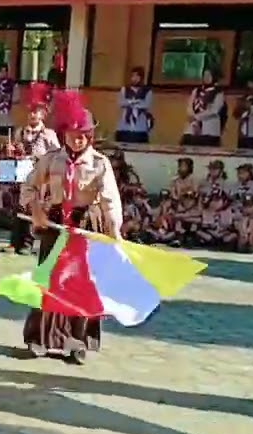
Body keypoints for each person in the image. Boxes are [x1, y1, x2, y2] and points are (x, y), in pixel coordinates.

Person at [20, 90, 122, 364]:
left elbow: (111, 201)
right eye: (73, 134)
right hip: (55, 224)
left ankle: (77, 341)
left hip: (85, 225)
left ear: (90, 136)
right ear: (64, 133)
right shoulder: (51, 159)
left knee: (80, 284)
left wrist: (115, 233)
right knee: (49, 279)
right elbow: (29, 187)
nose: (77, 140)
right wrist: (36, 210)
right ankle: (41, 339)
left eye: (83, 135)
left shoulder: (100, 164)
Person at [9, 99, 60, 253]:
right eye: (30, 111)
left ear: (42, 115)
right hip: (21, 174)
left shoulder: (49, 134)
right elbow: (14, 151)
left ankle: (28, 243)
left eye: (36, 112)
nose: (32, 115)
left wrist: (41, 159)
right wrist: (13, 152)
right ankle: (15, 242)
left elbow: (56, 155)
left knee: (33, 206)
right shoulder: (20, 132)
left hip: (38, 176)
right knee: (18, 206)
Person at [182, 68, 226, 147]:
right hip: (193, 128)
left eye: (209, 75)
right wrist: (193, 117)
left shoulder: (218, 93)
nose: (206, 78)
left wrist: (197, 117)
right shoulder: (196, 91)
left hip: (209, 129)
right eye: (205, 75)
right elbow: (190, 105)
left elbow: (214, 110)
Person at [115, 66, 154, 144]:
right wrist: (134, 102)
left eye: (137, 76)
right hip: (124, 128)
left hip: (140, 128)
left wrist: (131, 103)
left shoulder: (147, 91)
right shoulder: (124, 89)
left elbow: (146, 105)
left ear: (141, 78)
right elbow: (121, 102)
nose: (135, 79)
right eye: (133, 76)